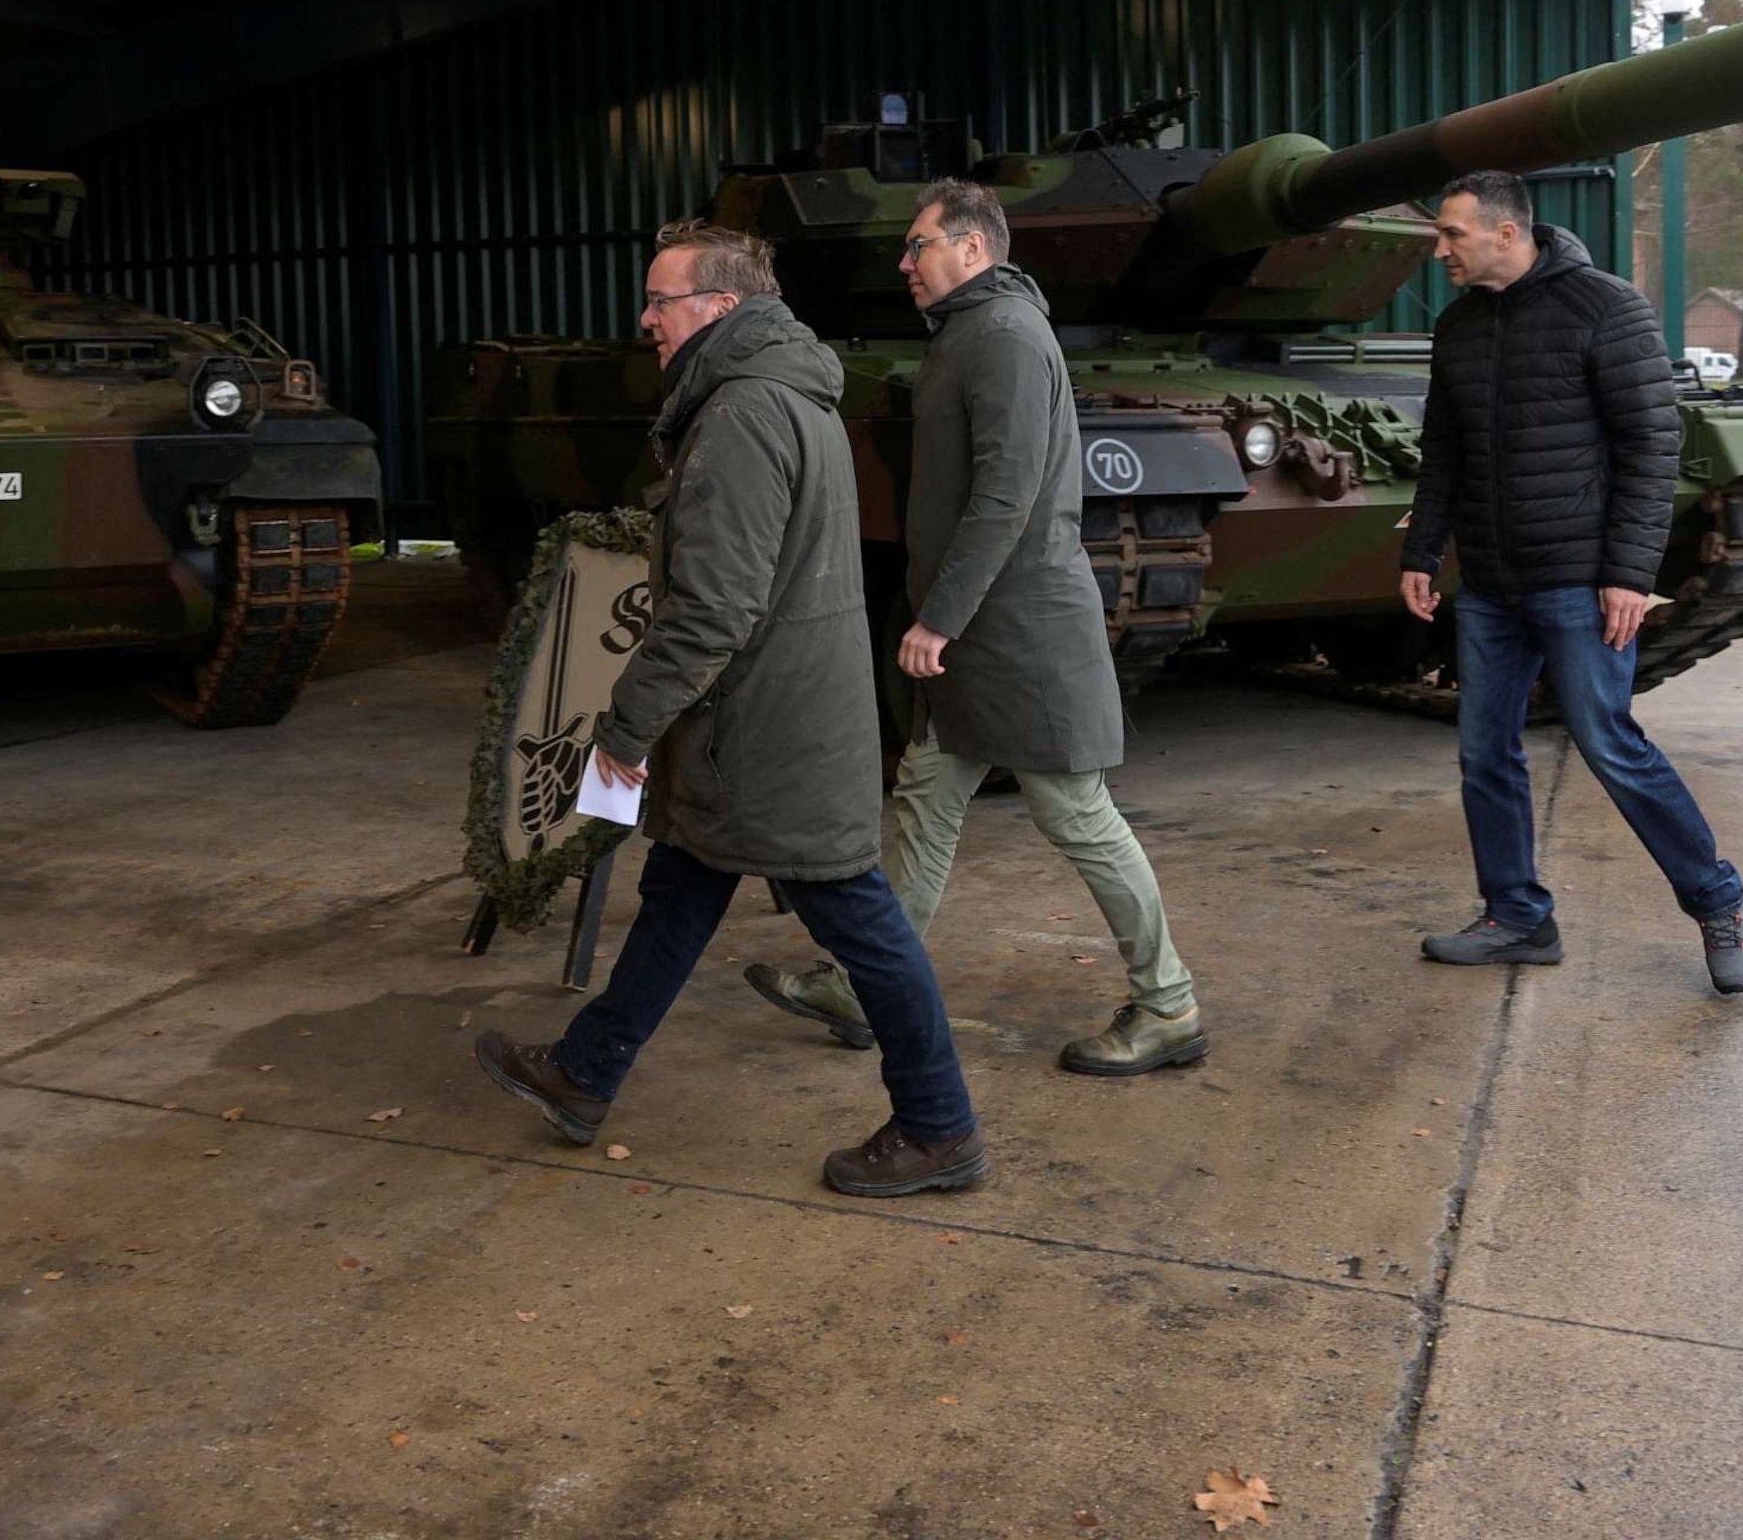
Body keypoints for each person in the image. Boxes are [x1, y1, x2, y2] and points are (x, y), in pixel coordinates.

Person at [473, 220, 988, 1198]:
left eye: (661, 301)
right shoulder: (785, 394)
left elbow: (715, 606)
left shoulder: (744, 414)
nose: (646, 320)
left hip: (766, 733)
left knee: (861, 920)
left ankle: (940, 1123)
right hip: (771, 721)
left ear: (719, 307)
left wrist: (624, 731)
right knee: (681, 885)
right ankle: (585, 1072)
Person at [744, 180, 1208, 1077]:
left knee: (1076, 813)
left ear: (973, 249)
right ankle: (863, 984)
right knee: (926, 795)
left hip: (1019, 630)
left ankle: (1168, 1004)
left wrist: (936, 621)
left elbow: (1006, 493)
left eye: (919, 245)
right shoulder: (973, 331)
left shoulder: (1000, 335)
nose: (905, 262)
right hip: (986, 629)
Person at [1399, 170, 1743, 994]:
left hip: (1577, 580)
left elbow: (1650, 447)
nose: (1439, 250)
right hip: (1491, 582)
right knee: (1483, 751)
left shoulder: (1606, 307)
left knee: (1608, 742)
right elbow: (1444, 453)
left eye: (1452, 234)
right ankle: (1517, 916)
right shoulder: (1458, 325)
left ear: (1506, 233)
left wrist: (1629, 574)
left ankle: (1719, 899)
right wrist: (1423, 551)